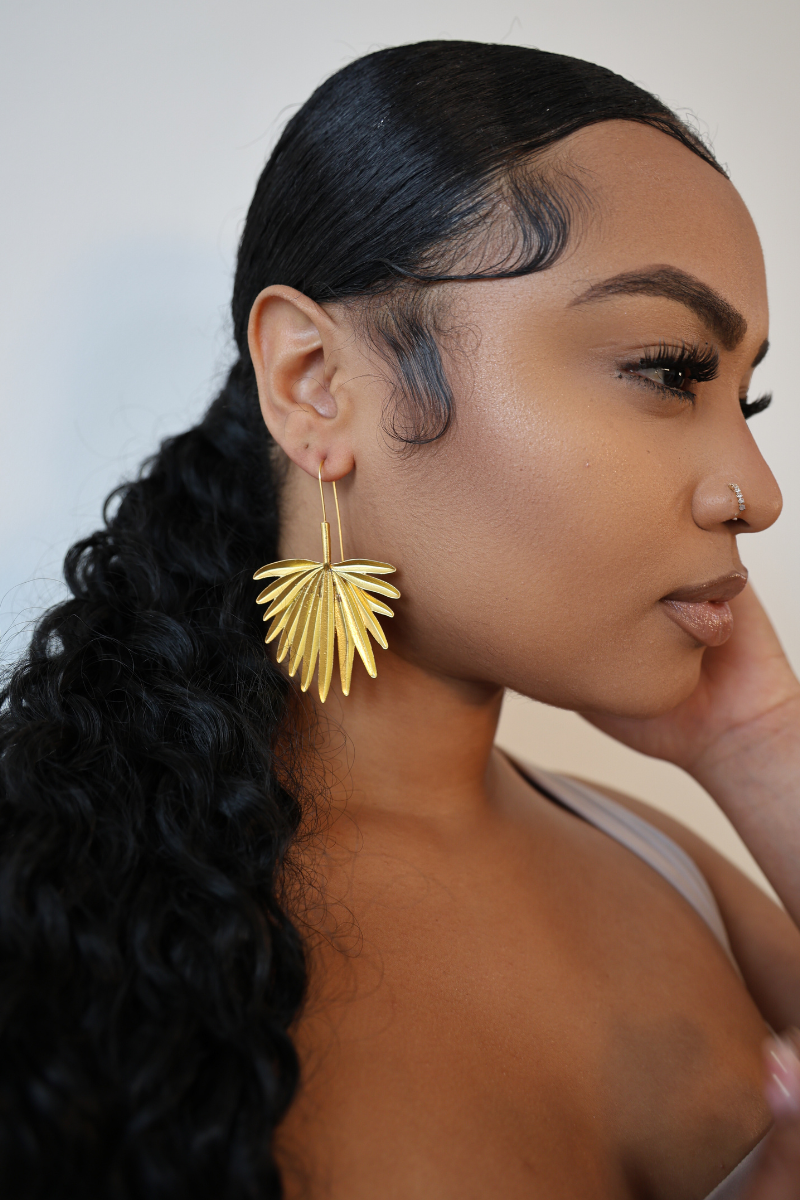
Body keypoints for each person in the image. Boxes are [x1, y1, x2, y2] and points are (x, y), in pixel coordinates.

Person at [2, 39, 799, 1200]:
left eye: (745, 397)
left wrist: (761, 744)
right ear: (315, 382)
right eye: (666, 368)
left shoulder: (668, 865)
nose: (755, 493)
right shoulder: (54, 909)